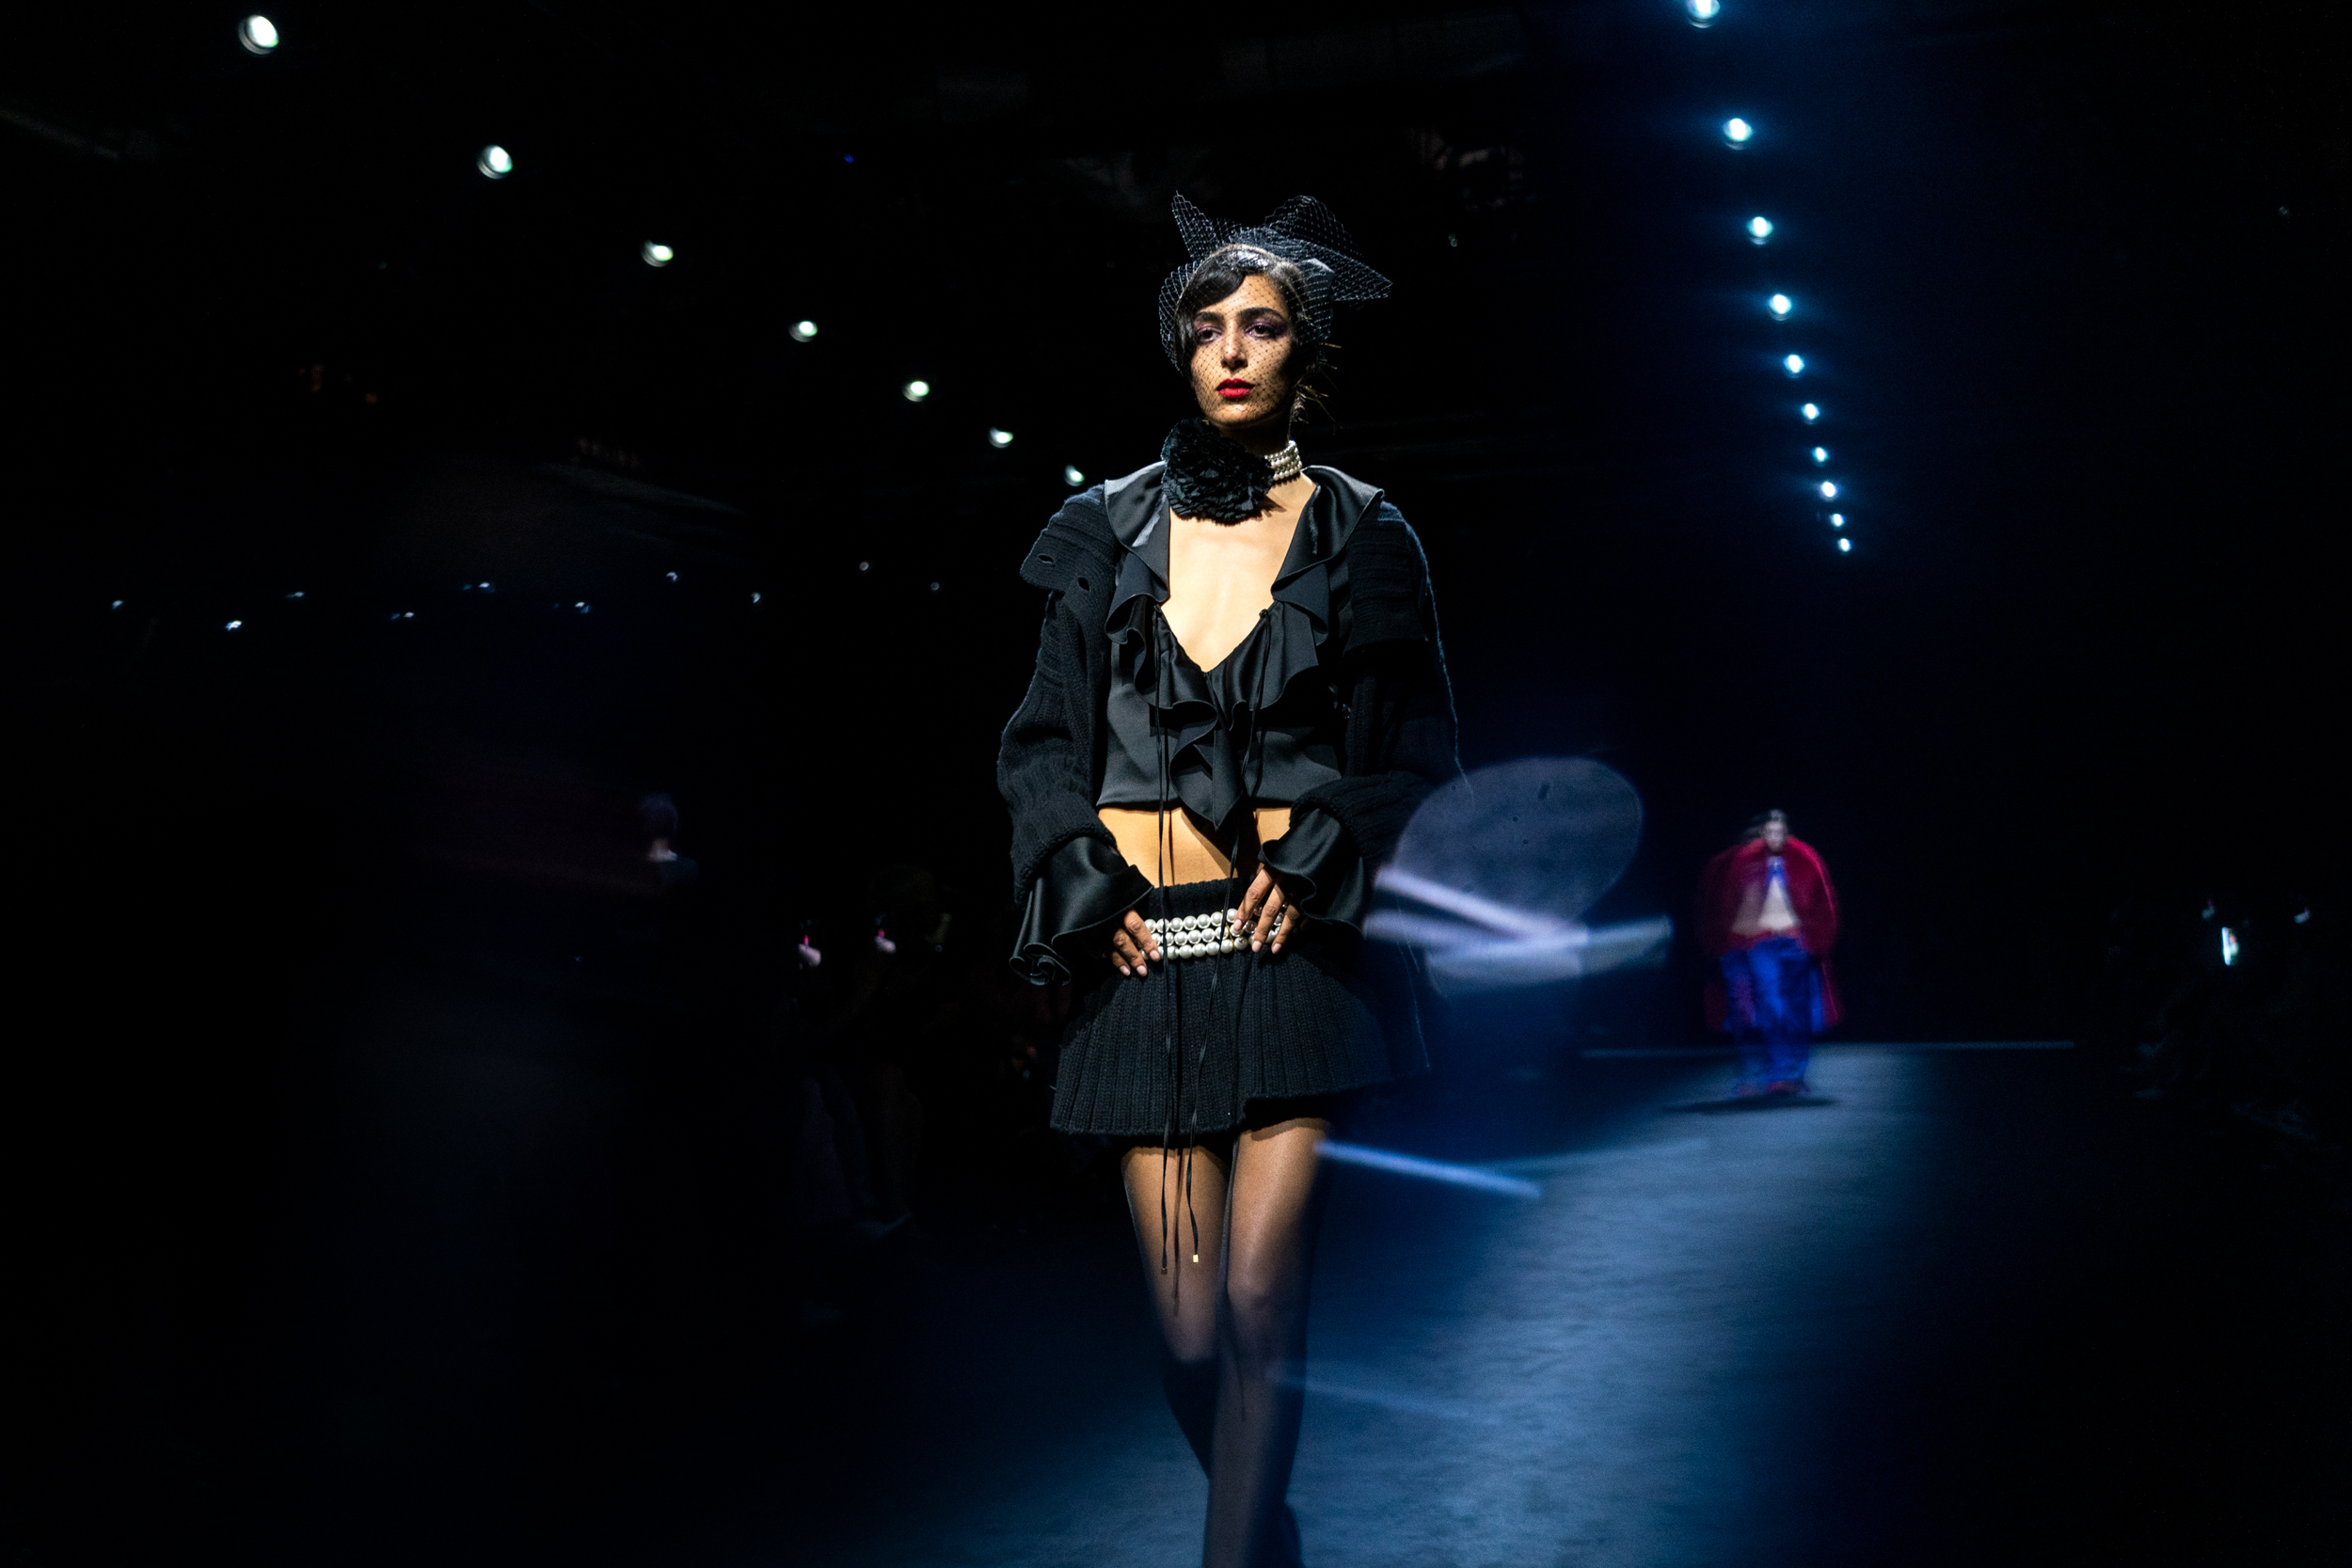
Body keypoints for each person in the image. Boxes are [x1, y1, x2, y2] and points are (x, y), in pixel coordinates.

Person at [998, 195, 1461, 1567]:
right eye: (1206, 328)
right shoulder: (1104, 527)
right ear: (1181, 351)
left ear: (1305, 349)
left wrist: (1325, 851)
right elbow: (1039, 743)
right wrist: (1082, 880)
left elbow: (1420, 750)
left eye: (1260, 325)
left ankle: (1232, 1550)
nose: (1231, 350)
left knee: (1260, 1300)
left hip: (1288, 951)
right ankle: (1268, 1533)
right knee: (1191, 1331)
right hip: (1144, 955)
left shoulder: (1362, 531)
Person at [1697, 810, 1841, 1095]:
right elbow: (1718, 904)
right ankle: (1765, 1073)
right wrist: (1721, 943)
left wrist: (1817, 940)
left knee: (1791, 1007)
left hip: (1790, 940)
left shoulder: (1803, 857)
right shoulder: (1735, 861)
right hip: (1750, 944)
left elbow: (1823, 899)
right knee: (1759, 1006)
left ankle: (1789, 1074)